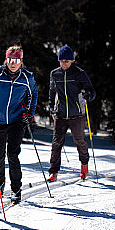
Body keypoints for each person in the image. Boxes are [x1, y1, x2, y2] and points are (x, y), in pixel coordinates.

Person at [0, 46, 38, 204]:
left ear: (21, 61)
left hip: (17, 120)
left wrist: (29, 114)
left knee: (12, 155)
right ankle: (0, 183)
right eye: (10, 59)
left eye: (16, 60)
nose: (13, 63)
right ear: (6, 60)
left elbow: (33, 95)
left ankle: (16, 188)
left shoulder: (27, 78)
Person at [47, 44, 96, 182]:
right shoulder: (54, 74)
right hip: (60, 114)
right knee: (56, 143)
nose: (64, 63)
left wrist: (89, 96)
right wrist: (51, 107)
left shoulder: (79, 73)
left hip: (77, 114)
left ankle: (84, 165)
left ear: (72, 61)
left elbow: (91, 90)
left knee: (79, 141)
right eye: (61, 61)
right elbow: (51, 92)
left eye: (66, 61)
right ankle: (54, 172)